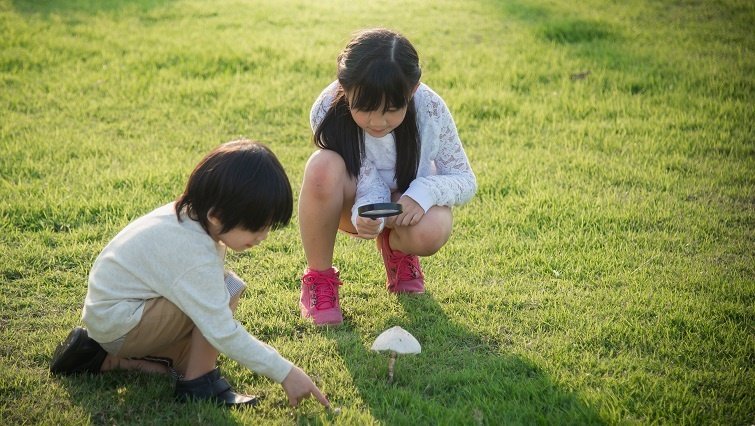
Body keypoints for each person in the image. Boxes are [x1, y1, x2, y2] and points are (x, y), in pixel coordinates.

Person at [50, 140, 330, 409]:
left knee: (222, 295)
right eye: (257, 227)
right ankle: (198, 383)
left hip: (117, 317)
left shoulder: (189, 218)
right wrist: (285, 372)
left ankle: (102, 358)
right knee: (222, 294)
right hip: (120, 323)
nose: (263, 237)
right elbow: (222, 330)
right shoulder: (193, 251)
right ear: (217, 216)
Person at [298, 28, 477, 326]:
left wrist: (421, 195)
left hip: (407, 207)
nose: (377, 122)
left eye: (392, 109)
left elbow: (464, 179)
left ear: (413, 90)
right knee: (322, 166)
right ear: (345, 87)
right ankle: (319, 280)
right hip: (351, 200)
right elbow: (365, 175)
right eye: (364, 108)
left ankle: (398, 251)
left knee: (430, 231)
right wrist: (365, 213)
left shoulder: (431, 111)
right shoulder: (326, 109)